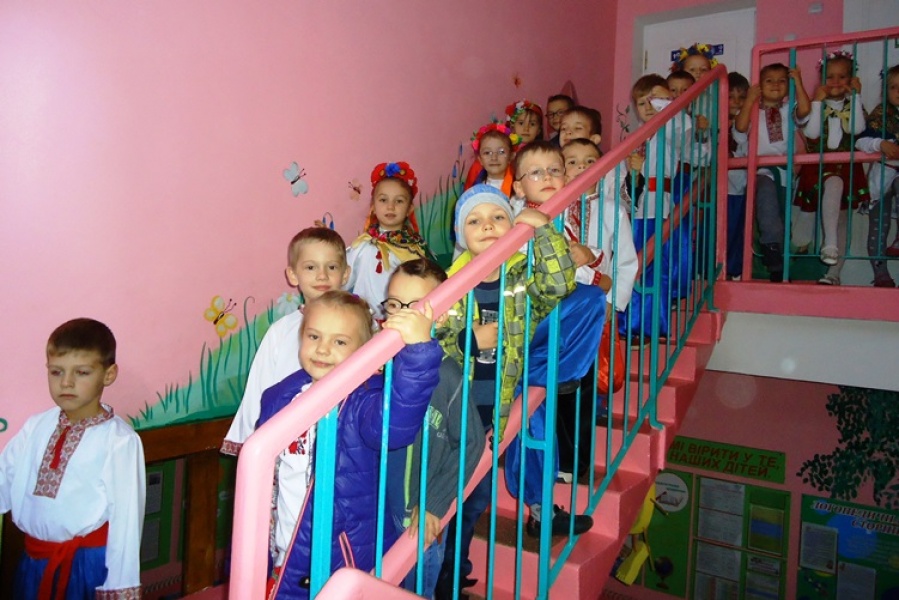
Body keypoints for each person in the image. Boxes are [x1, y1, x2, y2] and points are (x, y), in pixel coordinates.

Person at [435, 184, 580, 596]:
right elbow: (431, 342)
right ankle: (438, 576)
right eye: (475, 221)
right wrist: (469, 340)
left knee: (475, 501)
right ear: (461, 234)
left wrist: (543, 230)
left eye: (498, 217)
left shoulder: (521, 283)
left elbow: (559, 285)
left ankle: (454, 574)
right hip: (451, 420)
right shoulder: (450, 284)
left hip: (490, 421)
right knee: (443, 503)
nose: (487, 226)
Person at [260, 291, 442, 599]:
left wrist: (419, 352)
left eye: (340, 342)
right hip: (283, 548)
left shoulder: (363, 401)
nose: (323, 349)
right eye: (314, 336)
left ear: (363, 351)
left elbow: (394, 427)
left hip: (339, 555)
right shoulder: (281, 398)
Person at [221, 227, 351, 575]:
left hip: (339, 450)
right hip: (288, 452)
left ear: (345, 273)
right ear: (293, 275)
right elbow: (260, 392)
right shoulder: (281, 332)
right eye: (310, 267)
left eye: (331, 267)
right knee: (286, 534)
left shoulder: (359, 327)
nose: (322, 276)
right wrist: (253, 446)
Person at [0, 318, 145, 599]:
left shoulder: (120, 441)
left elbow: (127, 520)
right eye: (56, 372)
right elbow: (3, 478)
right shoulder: (35, 427)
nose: (66, 382)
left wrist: (119, 585)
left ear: (108, 375)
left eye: (81, 372)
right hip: (34, 560)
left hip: (88, 567)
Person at [506, 141, 610, 488]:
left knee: (536, 414)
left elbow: (587, 271)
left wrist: (591, 260)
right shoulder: (519, 219)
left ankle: (542, 492)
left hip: (554, 321)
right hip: (527, 316)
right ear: (519, 187)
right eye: (536, 173)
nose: (548, 177)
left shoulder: (566, 215)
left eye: (554, 170)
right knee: (591, 298)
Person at [387, 259, 486, 599]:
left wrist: (434, 503)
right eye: (394, 304)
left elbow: (472, 443)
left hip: (419, 523)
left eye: (415, 307)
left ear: (440, 316)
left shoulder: (447, 375)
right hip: (380, 516)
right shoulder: (378, 365)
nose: (402, 315)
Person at [795, 51, 868, 286]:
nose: (835, 82)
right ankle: (817, 244)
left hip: (845, 168)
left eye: (842, 77)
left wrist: (856, 97)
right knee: (809, 214)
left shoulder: (854, 105)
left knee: (842, 219)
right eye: (830, 76)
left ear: (852, 79)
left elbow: (856, 129)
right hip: (818, 168)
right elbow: (812, 133)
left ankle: (833, 272)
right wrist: (817, 102)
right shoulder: (812, 105)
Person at [733, 63, 812, 283]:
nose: (776, 84)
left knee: (781, 216)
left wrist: (799, 83)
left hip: (785, 171)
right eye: (769, 80)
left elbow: (805, 111)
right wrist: (749, 100)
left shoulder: (788, 110)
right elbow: (740, 128)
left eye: (782, 81)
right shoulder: (753, 111)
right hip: (760, 170)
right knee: (766, 200)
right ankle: (770, 248)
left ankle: (779, 265)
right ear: (759, 85)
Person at [346, 161, 431, 316]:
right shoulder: (361, 244)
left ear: (409, 209)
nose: (390, 207)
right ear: (373, 206)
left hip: (398, 321)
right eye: (383, 200)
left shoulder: (413, 250)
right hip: (363, 321)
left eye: (399, 201)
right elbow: (343, 279)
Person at [856, 63, 899, 288]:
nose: (898, 91)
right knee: (878, 229)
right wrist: (880, 144)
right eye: (893, 87)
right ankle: (881, 275)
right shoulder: (881, 114)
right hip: (880, 182)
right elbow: (860, 140)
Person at [725, 71, 750, 280]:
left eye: (741, 97)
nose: (736, 102)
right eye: (730, 97)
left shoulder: (748, 122)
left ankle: (734, 269)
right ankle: (719, 269)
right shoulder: (716, 121)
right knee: (723, 230)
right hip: (722, 188)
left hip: (740, 187)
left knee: (738, 229)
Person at [463, 123, 519, 197]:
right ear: (480, 159)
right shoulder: (475, 190)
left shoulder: (518, 189)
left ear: (511, 156)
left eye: (501, 152)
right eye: (487, 153)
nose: (494, 158)